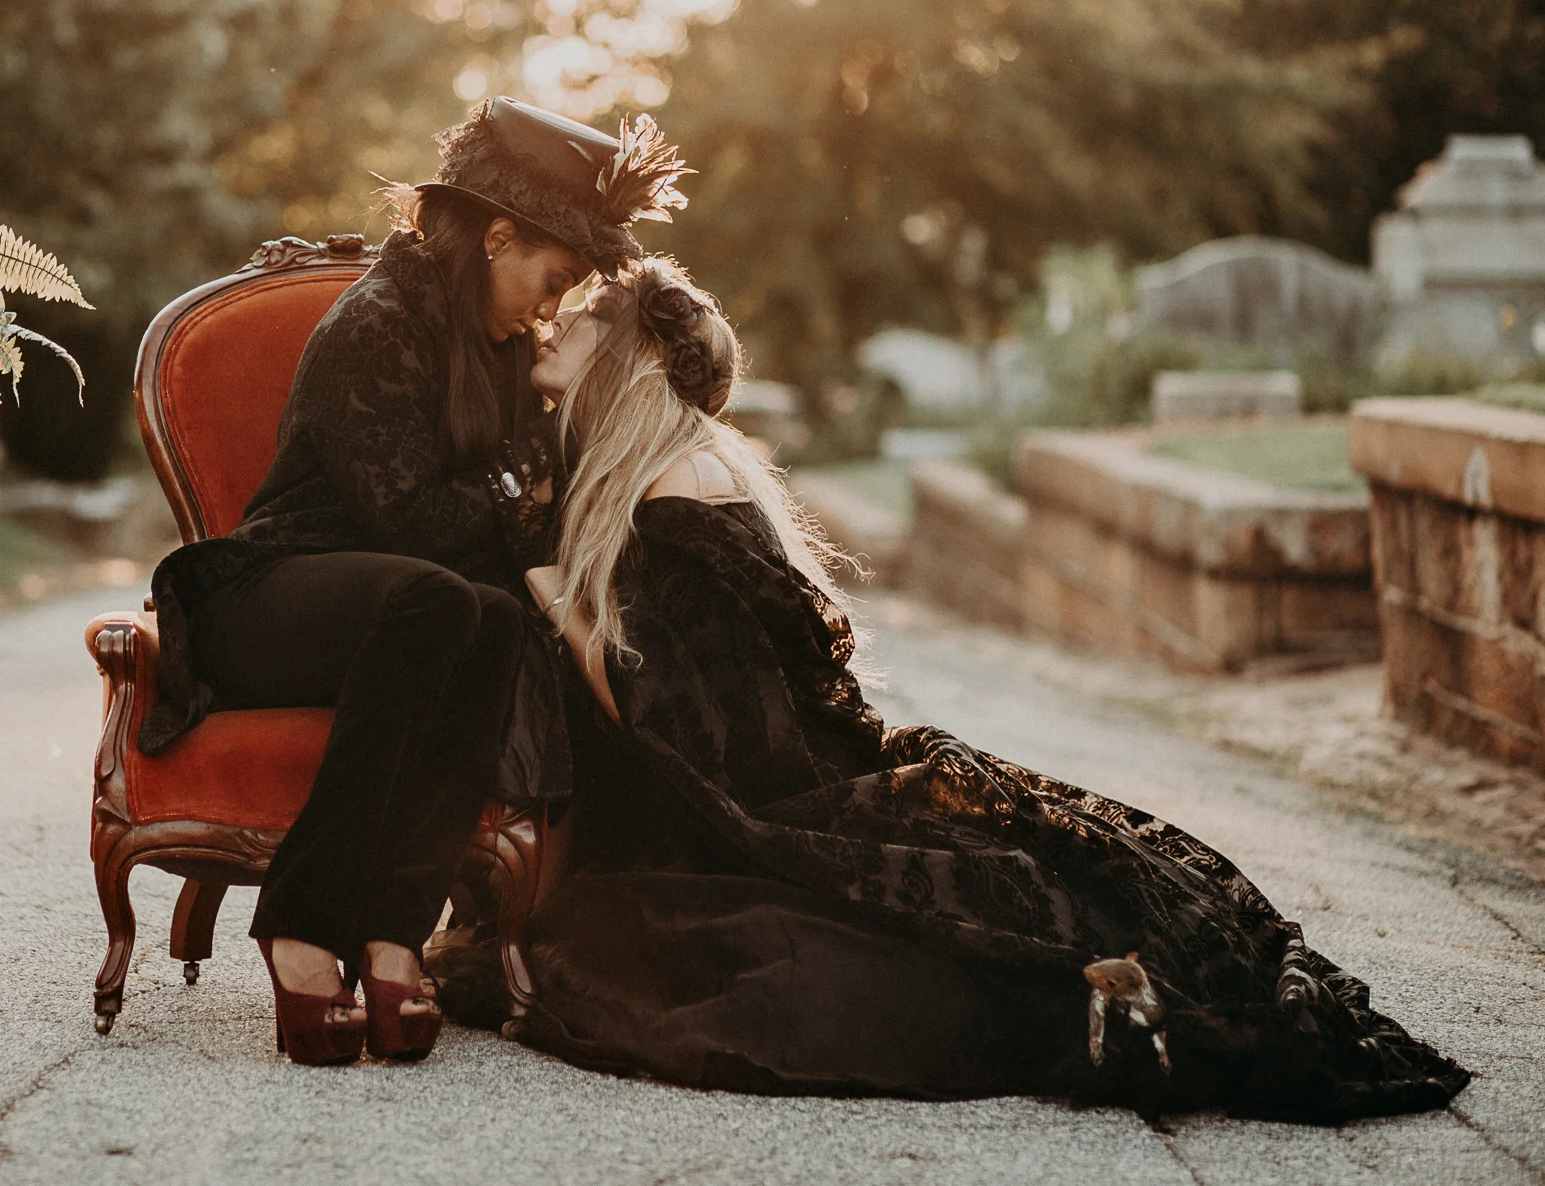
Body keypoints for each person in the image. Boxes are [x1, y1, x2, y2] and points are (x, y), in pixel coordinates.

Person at [441, 258, 1469, 1121]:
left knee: (710, 958)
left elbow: (680, 727)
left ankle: (1100, 1007)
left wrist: (556, 599)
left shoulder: (670, 496)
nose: (551, 321)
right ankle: (1107, 989)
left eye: (578, 317)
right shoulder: (690, 466)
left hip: (771, 805)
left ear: (628, 356)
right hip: (806, 771)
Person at [143, 97, 693, 1065]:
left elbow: (517, 516)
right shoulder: (378, 322)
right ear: (497, 236)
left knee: (485, 616)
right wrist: (513, 487)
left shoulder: (502, 353)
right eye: (551, 278)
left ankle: (394, 931)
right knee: (449, 598)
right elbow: (415, 522)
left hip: (408, 622)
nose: (551, 307)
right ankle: (305, 925)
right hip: (265, 600)